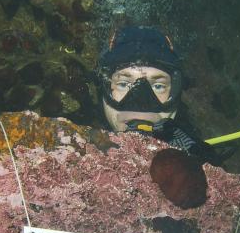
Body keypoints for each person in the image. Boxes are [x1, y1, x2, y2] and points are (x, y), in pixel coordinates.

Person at [94, 25, 220, 163]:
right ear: (102, 89)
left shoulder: (196, 154)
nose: (141, 102)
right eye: (123, 84)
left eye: (158, 86)